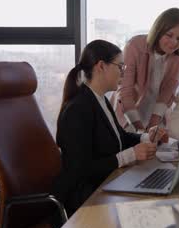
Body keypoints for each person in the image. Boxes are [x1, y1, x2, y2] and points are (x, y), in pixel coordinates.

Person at [52, 40, 165, 216]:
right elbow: (80, 169)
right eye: (120, 67)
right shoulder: (77, 109)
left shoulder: (101, 99)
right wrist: (130, 155)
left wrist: (145, 137)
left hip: (106, 184)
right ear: (101, 66)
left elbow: (119, 137)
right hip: (87, 199)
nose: (123, 73)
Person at [113, 7, 179, 133]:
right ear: (159, 30)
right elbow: (125, 91)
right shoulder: (135, 45)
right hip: (129, 114)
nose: (174, 42)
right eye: (169, 35)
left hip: (157, 113)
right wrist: (140, 130)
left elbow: (169, 87)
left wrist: (152, 125)